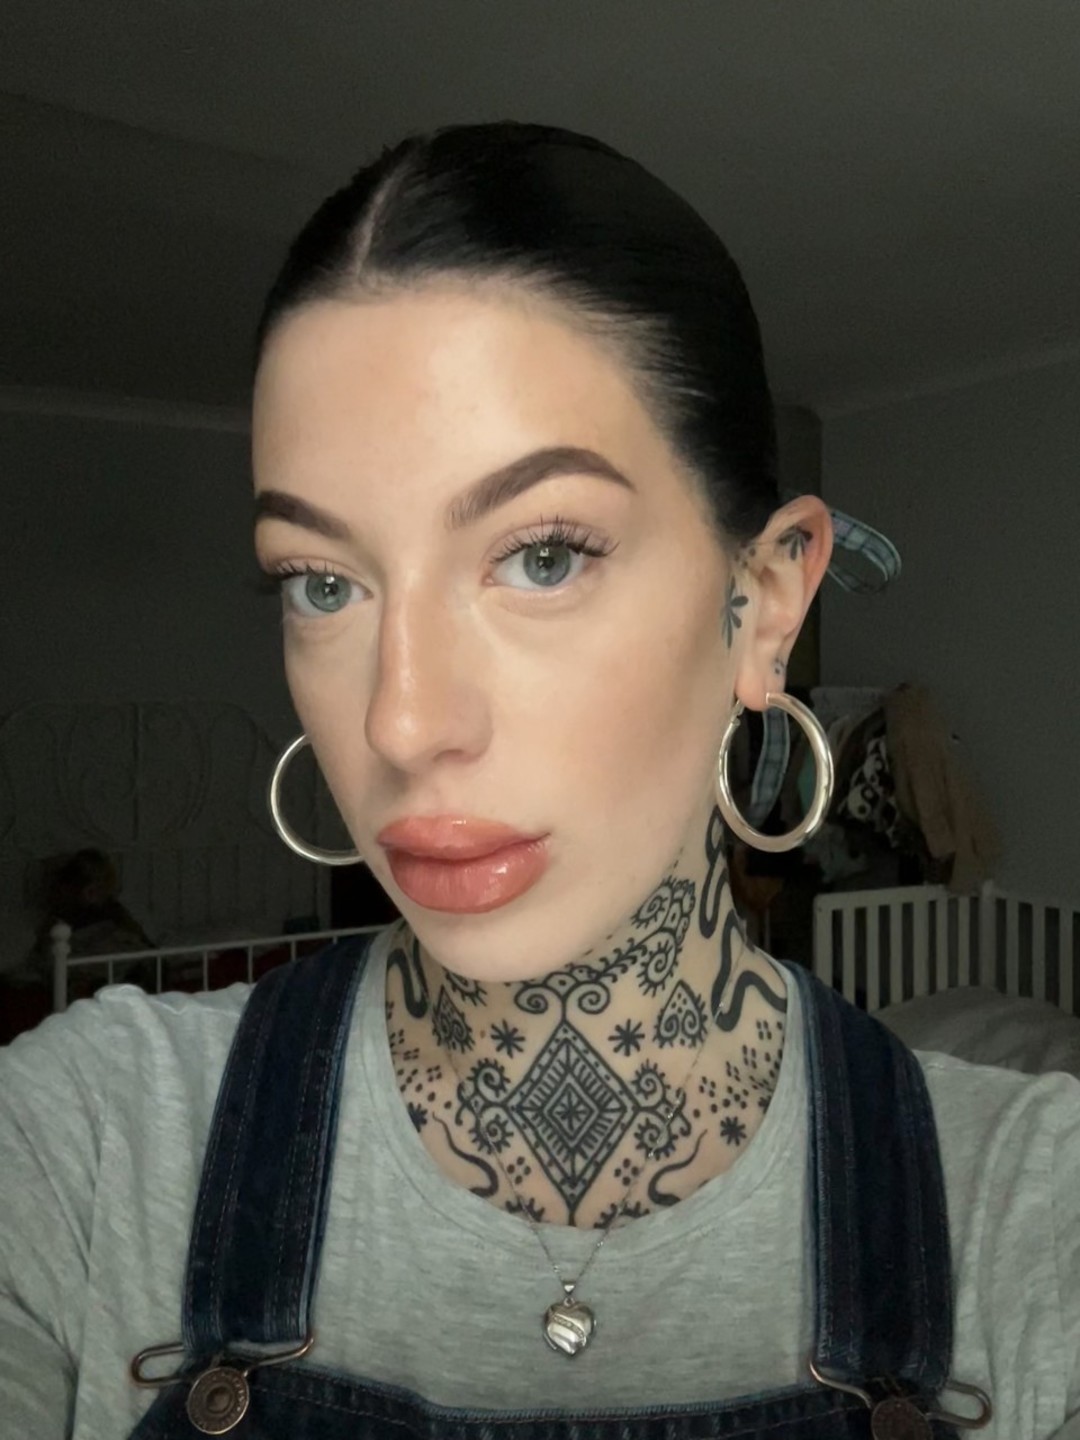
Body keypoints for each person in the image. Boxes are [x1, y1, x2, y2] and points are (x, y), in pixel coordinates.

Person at [1, 120, 1077, 1439]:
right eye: (323, 583)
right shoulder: (85, 1142)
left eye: (543, 556)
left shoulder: (1037, 1216)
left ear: (762, 601)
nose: (402, 722)